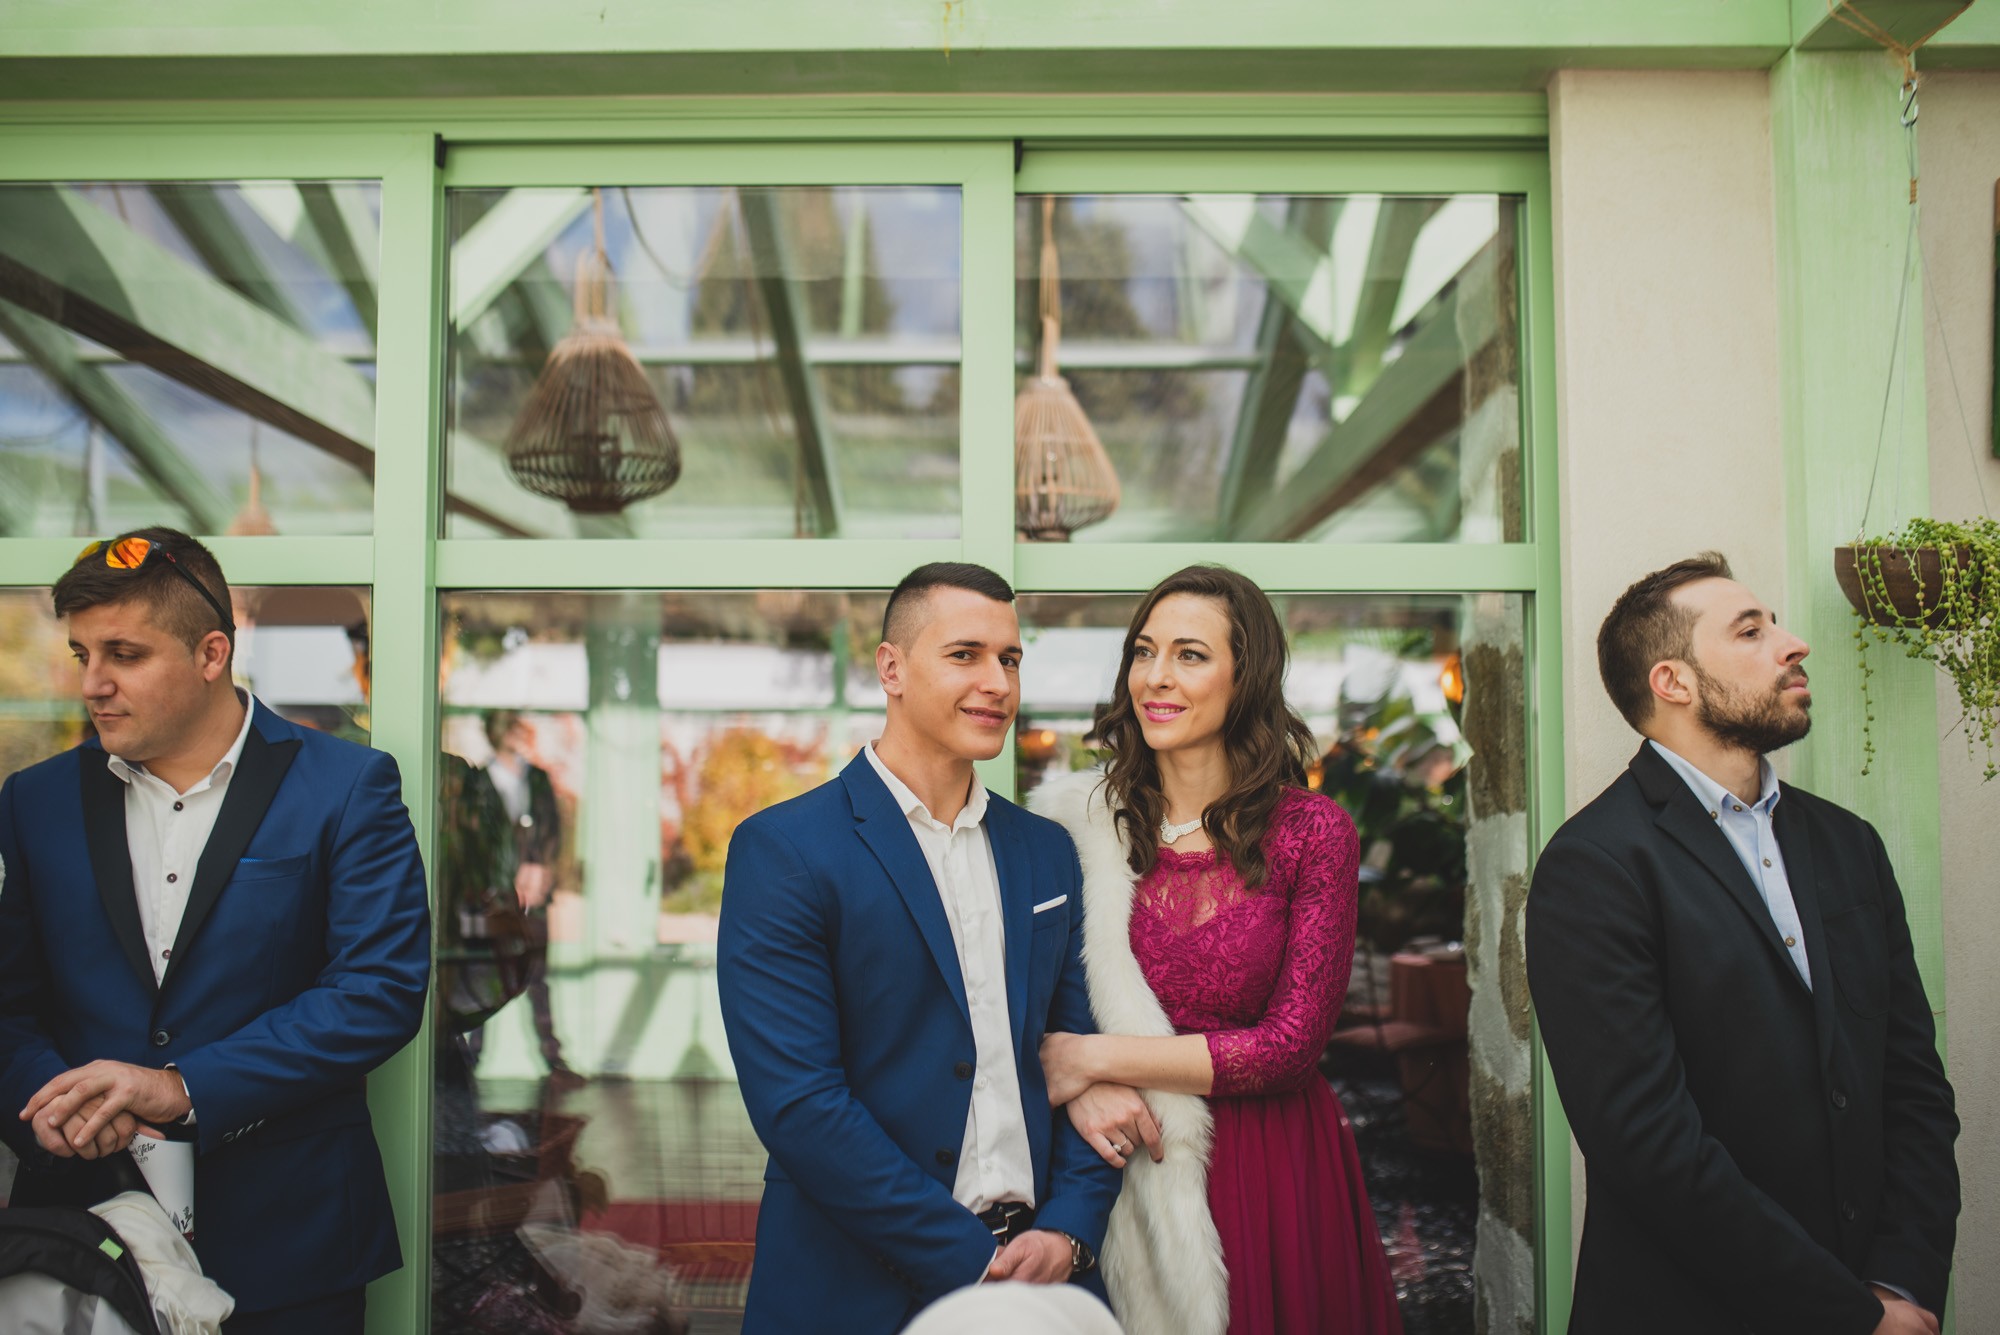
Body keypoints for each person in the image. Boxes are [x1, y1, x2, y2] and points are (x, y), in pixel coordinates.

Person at [0, 527, 432, 1335]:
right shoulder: (32, 801)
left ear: (210, 654)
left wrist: (180, 1086)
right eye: (81, 654)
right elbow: (6, 1002)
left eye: (124, 654)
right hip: (77, 1241)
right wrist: (48, 1101)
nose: (94, 683)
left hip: (291, 1240)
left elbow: (379, 992)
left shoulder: (346, 786)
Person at [1526, 553, 1958, 1335]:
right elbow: (1648, 1144)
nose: (1792, 644)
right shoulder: (1594, 865)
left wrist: (1905, 1281)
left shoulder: (1848, 843)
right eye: (1751, 630)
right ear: (1674, 682)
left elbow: (1914, 1089)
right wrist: (1848, 1314)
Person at [717, 562, 1120, 1334]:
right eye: (965, 654)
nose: (997, 681)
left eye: (1010, 658)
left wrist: (1070, 1228)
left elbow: (1076, 1052)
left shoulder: (1046, 851)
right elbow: (799, 1103)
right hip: (854, 1289)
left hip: (1045, 1282)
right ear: (891, 668)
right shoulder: (785, 849)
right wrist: (972, 1261)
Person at [1031, 564, 1402, 1335]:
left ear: (1247, 675)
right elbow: (1027, 999)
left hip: (1273, 1163)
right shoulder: (1076, 827)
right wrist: (1077, 1069)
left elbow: (1291, 1048)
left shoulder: (1312, 832)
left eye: (1190, 655)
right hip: (1121, 1159)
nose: (1156, 677)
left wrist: (1092, 1058)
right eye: (1143, 651)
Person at [470, 709, 578, 1087]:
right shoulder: (480, 782)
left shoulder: (538, 779)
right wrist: (499, 883)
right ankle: (471, 1061)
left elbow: (552, 832)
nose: (521, 735)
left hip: (534, 895)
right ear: (500, 734)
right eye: (514, 728)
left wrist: (541, 872)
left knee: (537, 976)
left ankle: (553, 1059)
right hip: (495, 898)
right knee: (485, 976)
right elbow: (479, 843)